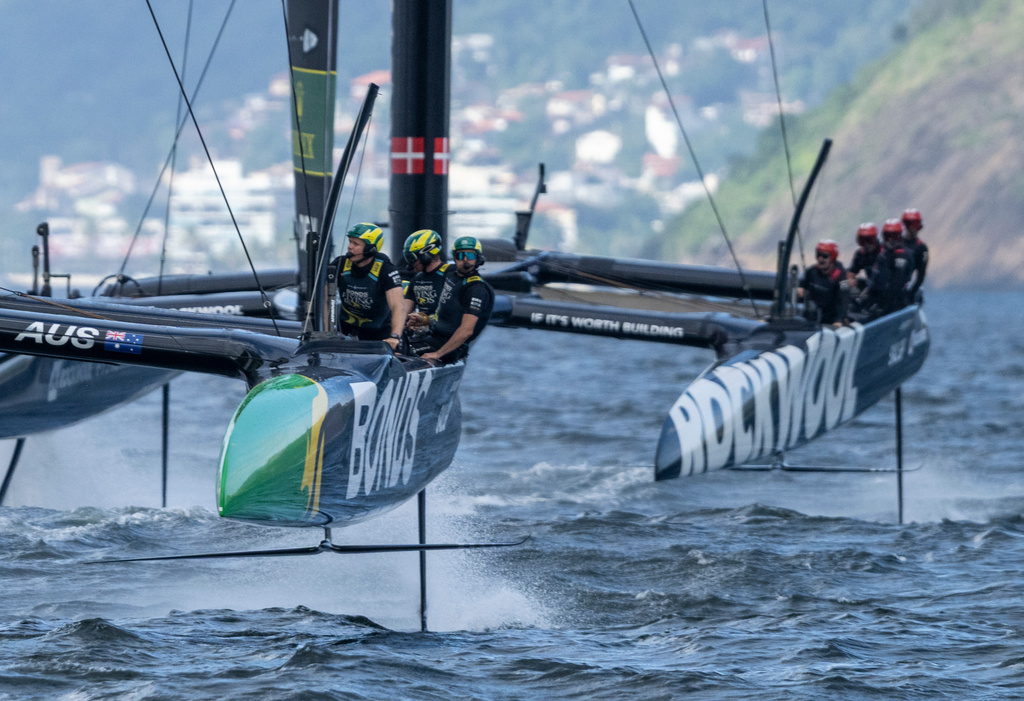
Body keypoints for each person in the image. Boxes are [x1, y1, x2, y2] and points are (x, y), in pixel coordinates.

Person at [418, 236, 494, 364]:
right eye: (460, 256)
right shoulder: (451, 274)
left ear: (478, 258)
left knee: (403, 350)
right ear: (454, 258)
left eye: (470, 256)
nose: (465, 260)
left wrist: (437, 354)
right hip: (434, 336)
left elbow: (466, 331)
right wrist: (424, 320)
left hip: (450, 347)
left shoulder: (475, 289)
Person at [333, 222, 406, 350]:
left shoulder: (386, 269)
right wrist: (326, 331)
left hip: (378, 336)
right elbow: (324, 298)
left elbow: (398, 306)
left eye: (356, 244)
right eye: (350, 242)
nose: (349, 247)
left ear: (370, 249)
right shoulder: (340, 264)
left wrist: (394, 337)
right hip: (345, 332)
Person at [402, 229, 451, 333]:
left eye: (412, 258)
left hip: (444, 331)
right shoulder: (417, 278)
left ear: (425, 256)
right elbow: (404, 312)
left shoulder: (451, 274)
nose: (410, 263)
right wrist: (407, 324)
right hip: (424, 331)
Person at [864, 218, 913, 319]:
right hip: (876, 301)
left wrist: (883, 306)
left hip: (895, 304)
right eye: (887, 236)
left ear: (899, 237)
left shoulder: (903, 255)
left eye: (894, 236)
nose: (890, 240)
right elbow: (875, 279)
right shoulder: (882, 255)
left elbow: (897, 283)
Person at [797, 239, 849, 325]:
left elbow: (844, 299)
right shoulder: (811, 271)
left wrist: (839, 320)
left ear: (832, 258)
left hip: (830, 319)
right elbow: (802, 284)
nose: (820, 259)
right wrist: (800, 288)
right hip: (812, 315)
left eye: (824, 256)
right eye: (818, 255)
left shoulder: (841, 277)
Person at [901, 208, 929, 302]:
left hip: (904, 290)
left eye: (915, 224)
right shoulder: (895, 244)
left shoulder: (921, 248)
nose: (912, 228)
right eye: (909, 224)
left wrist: (911, 293)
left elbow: (921, 275)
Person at [847, 222, 880, 292]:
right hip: (870, 287)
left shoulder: (884, 251)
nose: (866, 244)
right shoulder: (860, 254)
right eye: (862, 241)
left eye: (869, 240)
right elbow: (851, 273)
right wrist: (852, 282)